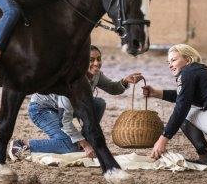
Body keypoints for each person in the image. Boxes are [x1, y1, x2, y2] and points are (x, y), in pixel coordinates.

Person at [8, 45, 138, 160]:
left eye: (99, 59)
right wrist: (85, 145)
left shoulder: (96, 74)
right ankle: (21, 144)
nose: (97, 63)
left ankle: (83, 141)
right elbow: (65, 121)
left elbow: (112, 87)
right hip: (42, 110)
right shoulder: (71, 82)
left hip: (64, 108)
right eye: (91, 60)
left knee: (98, 104)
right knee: (67, 145)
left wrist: (125, 81)